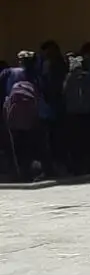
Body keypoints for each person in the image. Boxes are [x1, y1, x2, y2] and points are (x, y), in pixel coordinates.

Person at [2, 51, 47, 180]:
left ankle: (19, 172)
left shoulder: (8, 73)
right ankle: (32, 171)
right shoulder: (36, 76)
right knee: (31, 143)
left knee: (16, 145)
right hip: (33, 114)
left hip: (12, 113)